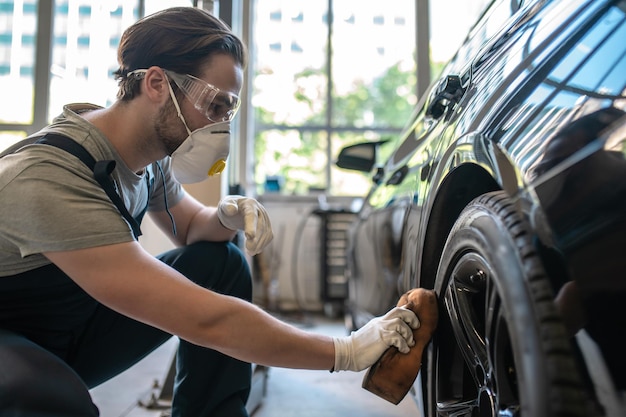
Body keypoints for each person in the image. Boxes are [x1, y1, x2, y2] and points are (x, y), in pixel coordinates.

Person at [0, 7, 420, 417]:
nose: (219, 125)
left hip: (62, 330)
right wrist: (343, 351)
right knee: (48, 399)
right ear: (157, 83)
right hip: (13, 336)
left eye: (229, 110)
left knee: (222, 263)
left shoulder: (149, 159)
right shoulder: (49, 175)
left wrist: (225, 217)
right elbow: (207, 320)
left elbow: (192, 229)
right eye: (214, 105)